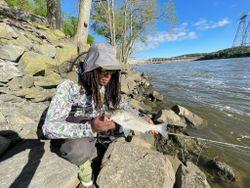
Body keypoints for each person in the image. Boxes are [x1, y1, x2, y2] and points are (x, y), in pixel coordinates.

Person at [42, 43, 157, 188]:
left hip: (99, 120)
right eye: (104, 71)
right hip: (79, 126)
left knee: (125, 125)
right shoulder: (68, 86)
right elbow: (49, 128)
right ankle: (84, 166)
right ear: (91, 68)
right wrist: (90, 128)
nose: (108, 77)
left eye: (112, 72)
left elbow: (120, 104)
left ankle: (100, 144)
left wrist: (141, 117)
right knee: (78, 151)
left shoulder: (107, 82)